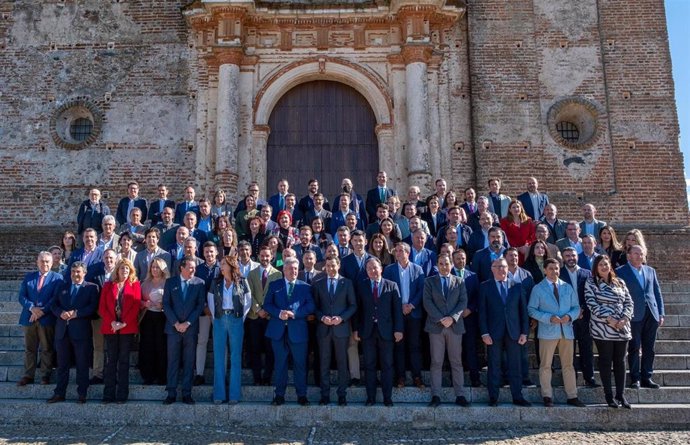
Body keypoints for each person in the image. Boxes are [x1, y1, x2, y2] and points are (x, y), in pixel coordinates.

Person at [527, 258, 585, 407]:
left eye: (557, 268)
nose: (555, 271)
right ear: (545, 270)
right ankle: (547, 395)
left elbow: (576, 307)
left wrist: (570, 316)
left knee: (568, 365)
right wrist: (548, 318)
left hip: (566, 331)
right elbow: (531, 309)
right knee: (546, 365)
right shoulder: (538, 289)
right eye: (551, 268)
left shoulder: (567, 287)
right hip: (548, 331)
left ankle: (572, 395)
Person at [478, 258, 531, 407]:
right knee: (494, 365)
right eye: (498, 267)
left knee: (515, 365)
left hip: (513, 332)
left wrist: (524, 332)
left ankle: (517, 396)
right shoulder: (485, 287)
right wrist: (484, 333)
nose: (501, 269)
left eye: (504, 267)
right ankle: (493, 396)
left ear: (508, 269)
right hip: (493, 333)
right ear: (492, 268)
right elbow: (482, 312)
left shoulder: (517, 286)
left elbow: (523, 312)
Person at [264, 257, 315, 406]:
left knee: (300, 364)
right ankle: (279, 395)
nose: (292, 271)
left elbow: (311, 306)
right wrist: (279, 313)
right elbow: (267, 304)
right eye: (289, 268)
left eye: (295, 269)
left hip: (298, 331)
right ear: (284, 270)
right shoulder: (275, 285)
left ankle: (302, 395)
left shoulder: (305, 287)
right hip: (278, 331)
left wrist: (296, 313)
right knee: (280, 364)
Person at [585, 255, 634, 408]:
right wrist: (609, 319)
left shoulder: (620, 282)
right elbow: (591, 303)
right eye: (600, 265)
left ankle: (621, 395)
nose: (604, 267)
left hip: (621, 328)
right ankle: (609, 396)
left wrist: (625, 318)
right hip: (603, 327)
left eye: (606, 264)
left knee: (620, 362)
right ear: (596, 267)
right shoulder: (591, 282)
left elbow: (629, 302)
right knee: (606, 361)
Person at [353, 258, 403, 407]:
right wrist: (356, 329)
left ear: (381, 268)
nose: (373, 271)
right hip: (368, 332)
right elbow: (358, 311)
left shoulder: (392, 285)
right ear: (366, 271)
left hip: (386, 332)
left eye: (375, 268)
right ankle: (371, 398)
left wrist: (398, 329)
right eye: (369, 269)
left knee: (387, 365)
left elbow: (397, 311)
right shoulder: (361, 286)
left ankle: (387, 398)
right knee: (369, 365)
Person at [47, 262, 99, 404]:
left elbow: (93, 307)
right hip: (62, 331)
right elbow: (53, 304)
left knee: (82, 364)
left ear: (84, 273)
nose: (75, 274)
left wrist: (77, 313)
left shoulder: (92, 288)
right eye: (73, 271)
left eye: (78, 272)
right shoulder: (62, 286)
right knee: (62, 364)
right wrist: (60, 313)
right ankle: (59, 393)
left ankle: (82, 394)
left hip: (81, 332)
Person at [424, 254, 470, 407]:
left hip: (454, 326)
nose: (444, 266)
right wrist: (441, 318)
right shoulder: (429, 282)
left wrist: (452, 317)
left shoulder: (459, 281)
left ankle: (460, 395)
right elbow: (427, 302)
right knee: (436, 362)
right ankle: (436, 395)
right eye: (441, 264)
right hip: (436, 326)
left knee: (456, 361)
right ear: (437, 265)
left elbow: (463, 301)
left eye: (447, 263)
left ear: (451, 265)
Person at [616, 244, 665, 389]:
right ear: (629, 255)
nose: (639, 256)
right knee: (634, 347)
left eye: (641, 254)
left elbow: (657, 292)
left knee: (649, 348)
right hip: (633, 315)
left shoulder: (650, 271)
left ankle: (647, 377)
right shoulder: (620, 272)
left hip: (651, 313)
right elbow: (619, 295)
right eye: (636, 253)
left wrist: (661, 313)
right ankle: (635, 378)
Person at [311, 255, 357, 405]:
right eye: (328, 266)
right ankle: (325, 395)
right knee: (324, 362)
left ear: (338, 266)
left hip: (341, 329)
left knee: (342, 363)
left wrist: (342, 318)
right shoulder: (318, 283)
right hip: (323, 329)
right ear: (325, 267)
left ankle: (342, 394)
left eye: (333, 266)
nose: (331, 269)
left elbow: (353, 305)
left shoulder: (347, 283)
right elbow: (315, 307)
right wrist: (322, 317)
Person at [162, 257, 206, 405]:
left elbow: (199, 306)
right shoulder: (170, 282)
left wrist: (187, 323)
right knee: (172, 361)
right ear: (182, 268)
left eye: (194, 267)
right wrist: (175, 323)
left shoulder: (199, 283)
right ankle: (171, 392)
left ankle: (187, 393)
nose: (193, 270)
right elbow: (166, 305)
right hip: (173, 328)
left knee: (189, 362)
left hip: (190, 328)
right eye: (190, 267)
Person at [208, 255, 252, 404]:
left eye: (223, 264)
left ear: (231, 265)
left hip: (236, 319)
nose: (221, 267)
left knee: (235, 357)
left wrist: (240, 318)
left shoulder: (242, 281)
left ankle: (234, 395)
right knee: (219, 357)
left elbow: (247, 300)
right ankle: (219, 394)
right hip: (220, 319)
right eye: (221, 264)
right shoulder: (216, 282)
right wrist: (216, 318)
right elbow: (210, 300)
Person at [17, 251, 63, 386]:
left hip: (46, 318)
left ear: (52, 263)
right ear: (37, 262)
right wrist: (32, 308)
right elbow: (22, 296)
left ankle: (45, 375)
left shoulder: (58, 278)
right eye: (42, 261)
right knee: (30, 348)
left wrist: (42, 311)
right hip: (29, 318)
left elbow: (55, 298)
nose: (45, 264)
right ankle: (28, 375)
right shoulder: (29, 277)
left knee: (47, 348)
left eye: (47, 261)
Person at [383, 242, 426, 389]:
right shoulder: (389, 270)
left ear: (408, 253)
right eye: (397, 251)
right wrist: (399, 306)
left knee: (415, 346)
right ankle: (400, 377)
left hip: (413, 313)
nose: (399, 253)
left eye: (402, 251)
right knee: (399, 346)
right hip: (397, 314)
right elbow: (386, 291)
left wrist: (411, 305)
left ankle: (417, 377)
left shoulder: (418, 269)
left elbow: (422, 290)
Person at [99, 258, 141, 404]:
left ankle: (122, 395)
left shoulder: (135, 285)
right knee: (111, 361)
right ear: (117, 270)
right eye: (122, 268)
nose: (124, 271)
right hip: (110, 328)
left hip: (126, 328)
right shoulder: (108, 285)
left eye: (127, 269)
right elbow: (102, 307)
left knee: (123, 361)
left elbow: (136, 306)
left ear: (131, 271)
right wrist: (112, 322)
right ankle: (108, 394)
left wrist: (123, 323)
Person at [560, 247, 597, 387]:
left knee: (586, 348)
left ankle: (589, 378)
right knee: (569, 351)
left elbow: (592, 294)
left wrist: (583, 310)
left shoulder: (587, 273)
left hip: (585, 317)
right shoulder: (559, 274)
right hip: (567, 317)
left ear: (577, 256)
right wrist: (571, 313)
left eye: (573, 255)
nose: (571, 258)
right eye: (567, 255)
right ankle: (571, 380)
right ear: (563, 258)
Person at [246, 245, 282, 385]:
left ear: (272, 256)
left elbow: (277, 296)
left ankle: (267, 377)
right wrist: (257, 309)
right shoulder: (252, 273)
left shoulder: (277, 274)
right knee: (254, 349)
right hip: (255, 317)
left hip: (270, 318)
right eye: (262, 255)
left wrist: (267, 310)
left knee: (269, 349)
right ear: (258, 256)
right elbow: (249, 294)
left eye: (267, 256)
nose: (265, 258)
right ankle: (256, 378)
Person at [85, 248, 118, 385]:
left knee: (113, 347)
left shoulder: (121, 274)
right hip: (98, 316)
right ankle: (97, 373)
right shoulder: (95, 274)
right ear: (102, 259)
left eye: (111, 258)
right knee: (98, 346)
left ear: (116, 259)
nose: (109, 260)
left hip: (116, 317)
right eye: (106, 258)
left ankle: (112, 374)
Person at [451, 248, 482, 387]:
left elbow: (477, 296)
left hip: (469, 318)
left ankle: (475, 378)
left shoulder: (472, 276)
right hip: (452, 319)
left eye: (463, 258)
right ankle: (454, 380)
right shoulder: (447, 274)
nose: (461, 261)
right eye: (458, 258)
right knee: (454, 351)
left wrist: (470, 308)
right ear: (453, 260)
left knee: (471, 349)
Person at [139, 257, 170, 385]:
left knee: (161, 346)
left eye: (157, 267)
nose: (155, 269)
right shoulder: (145, 283)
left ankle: (161, 376)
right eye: (153, 267)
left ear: (162, 269)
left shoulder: (168, 283)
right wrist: (144, 303)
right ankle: (148, 376)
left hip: (162, 317)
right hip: (147, 317)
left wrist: (163, 305)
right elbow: (137, 300)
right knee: (148, 346)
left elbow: (172, 300)